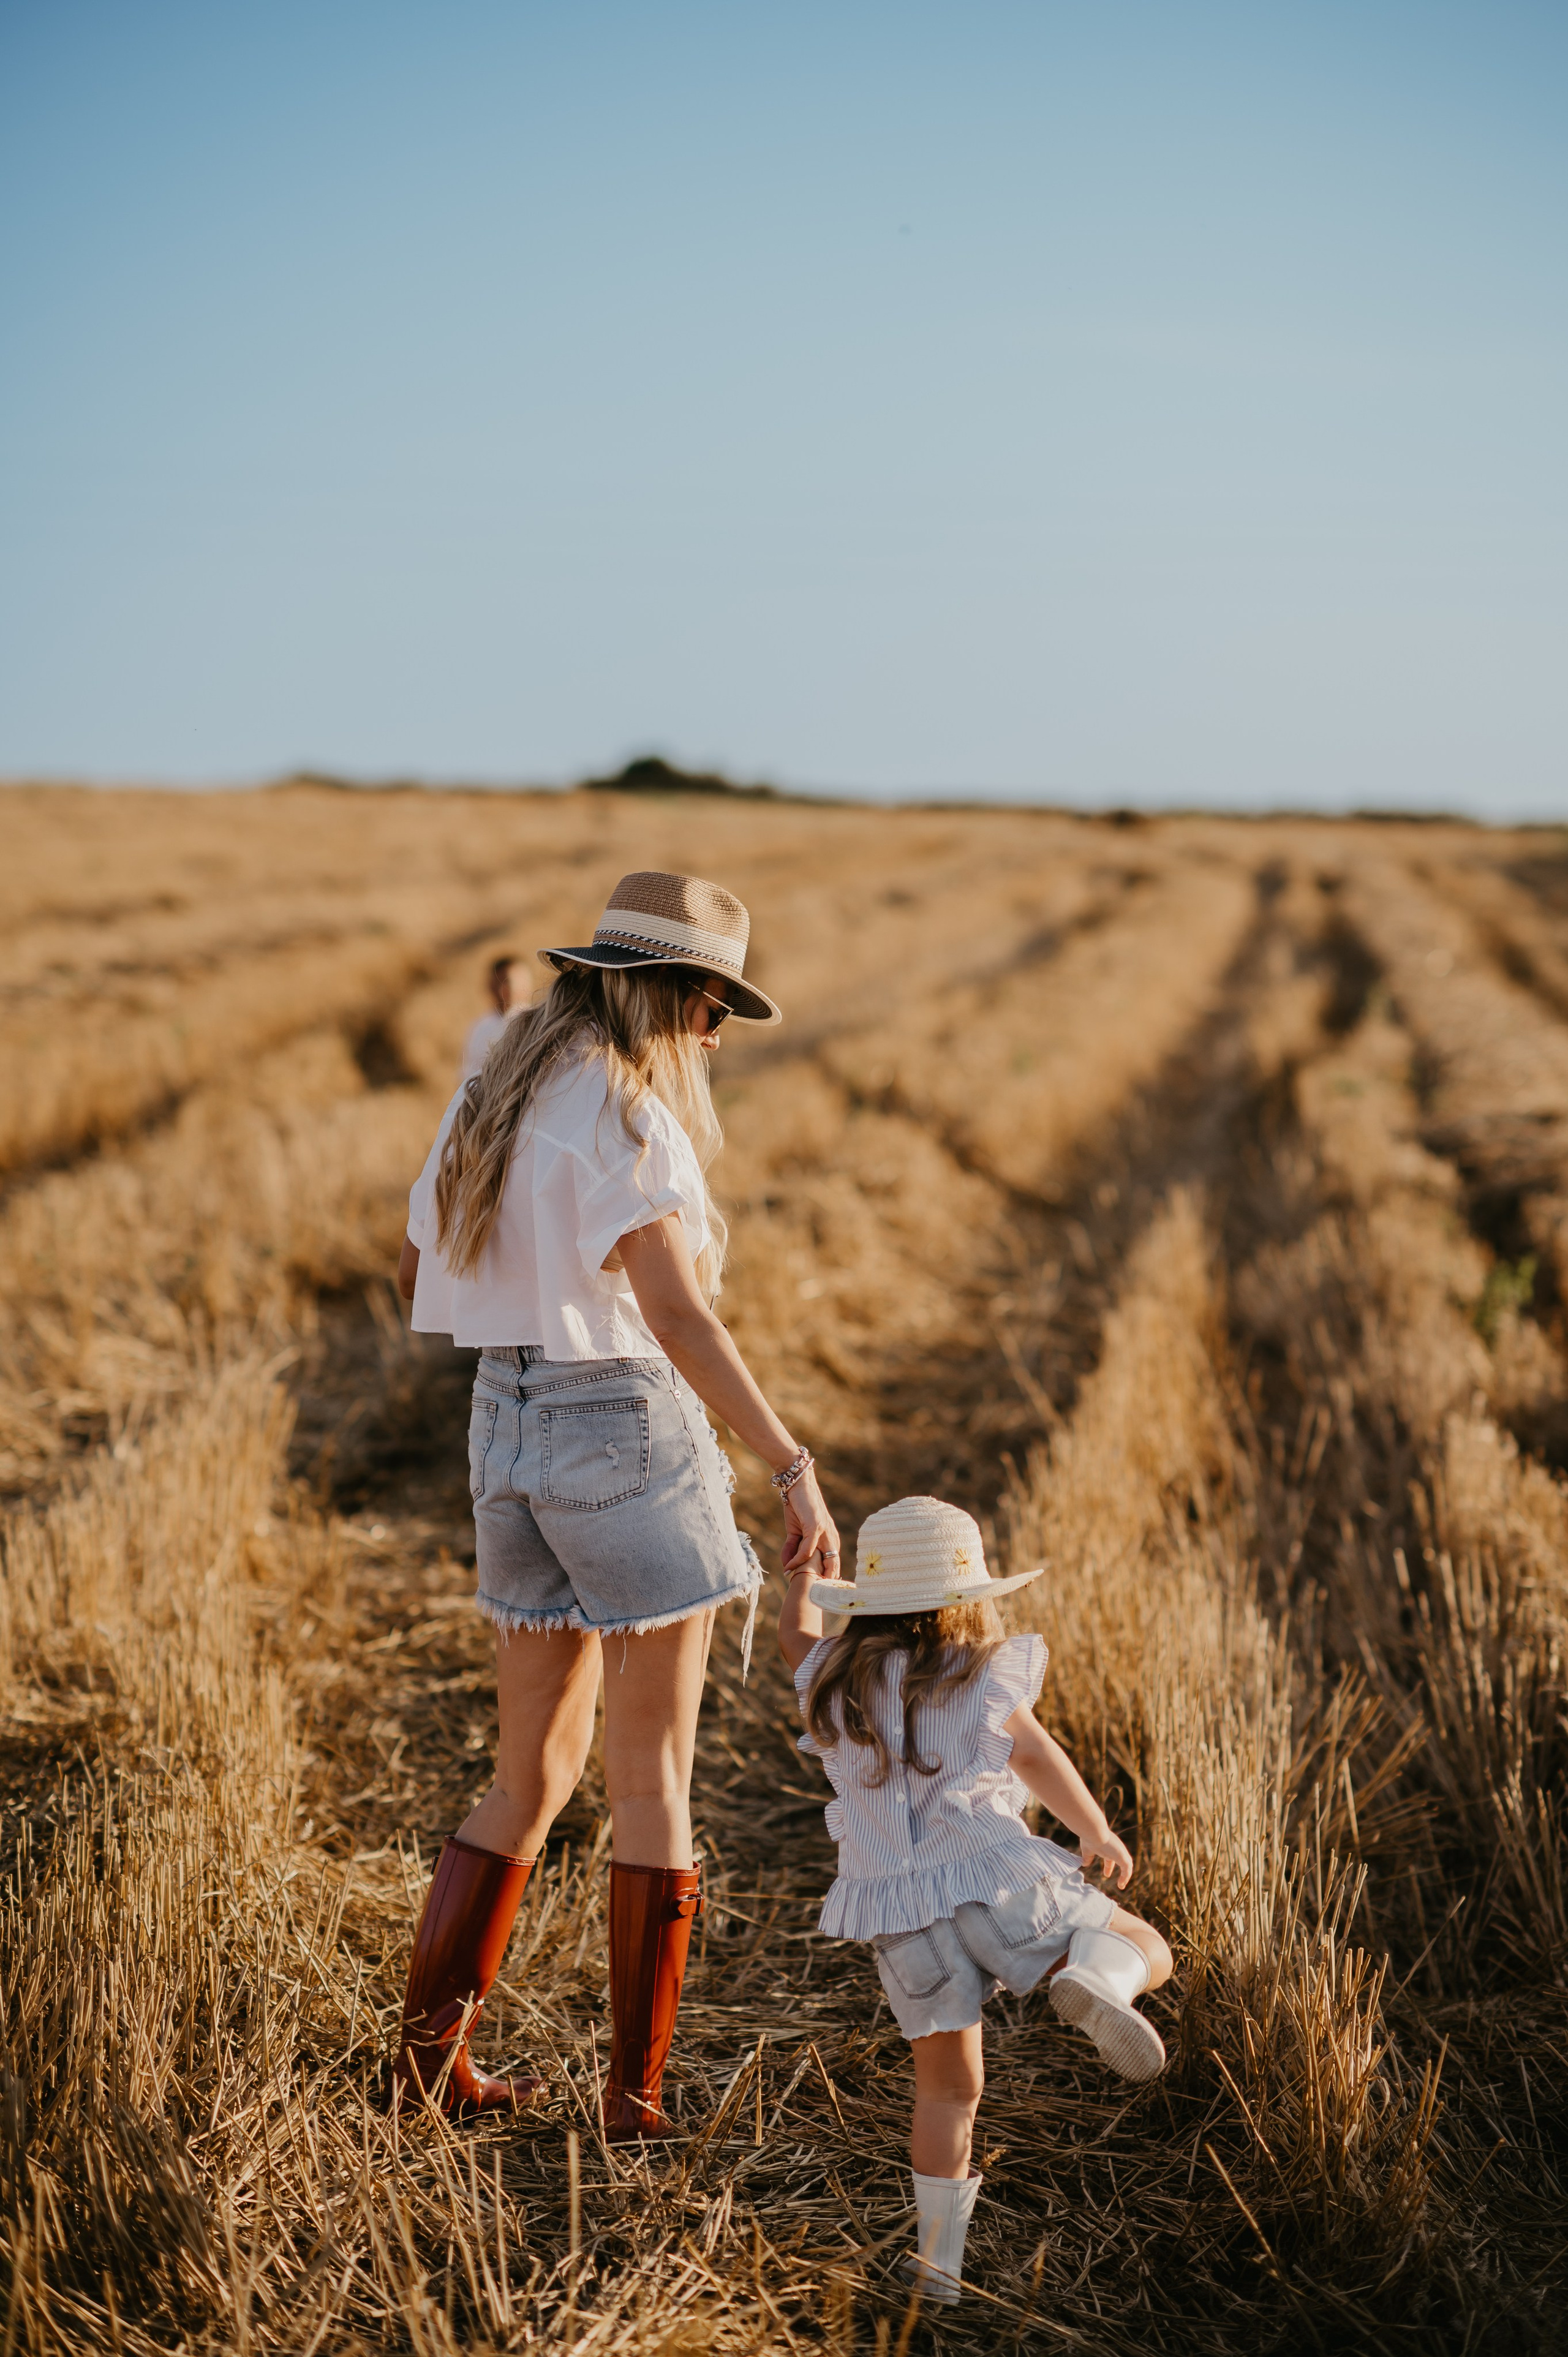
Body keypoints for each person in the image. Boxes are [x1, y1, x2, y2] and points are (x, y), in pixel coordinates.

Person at [394, 870, 840, 2139]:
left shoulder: (495, 1082)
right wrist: (788, 1461)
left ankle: (427, 2066)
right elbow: (675, 1310)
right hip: (622, 1424)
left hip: (506, 1419)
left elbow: (419, 1257)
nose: (712, 1039)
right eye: (711, 1012)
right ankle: (633, 2101)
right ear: (670, 994)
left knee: (525, 1772)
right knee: (653, 1778)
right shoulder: (629, 1109)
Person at [778, 1496, 1172, 2306]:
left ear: (866, 1600)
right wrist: (1094, 1830)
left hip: (899, 1922)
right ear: (969, 1597)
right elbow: (1035, 1757)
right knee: (1143, 1944)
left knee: (950, 2091)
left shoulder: (831, 1681)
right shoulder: (978, 1674)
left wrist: (805, 1578)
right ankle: (1099, 1978)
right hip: (995, 1886)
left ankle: (937, 2264)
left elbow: (798, 1636)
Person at [462, 954, 527, 1080]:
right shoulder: (479, 1028)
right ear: (490, 986)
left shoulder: (535, 1021)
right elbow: (466, 1074)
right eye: (500, 982)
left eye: (509, 982)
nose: (504, 989)